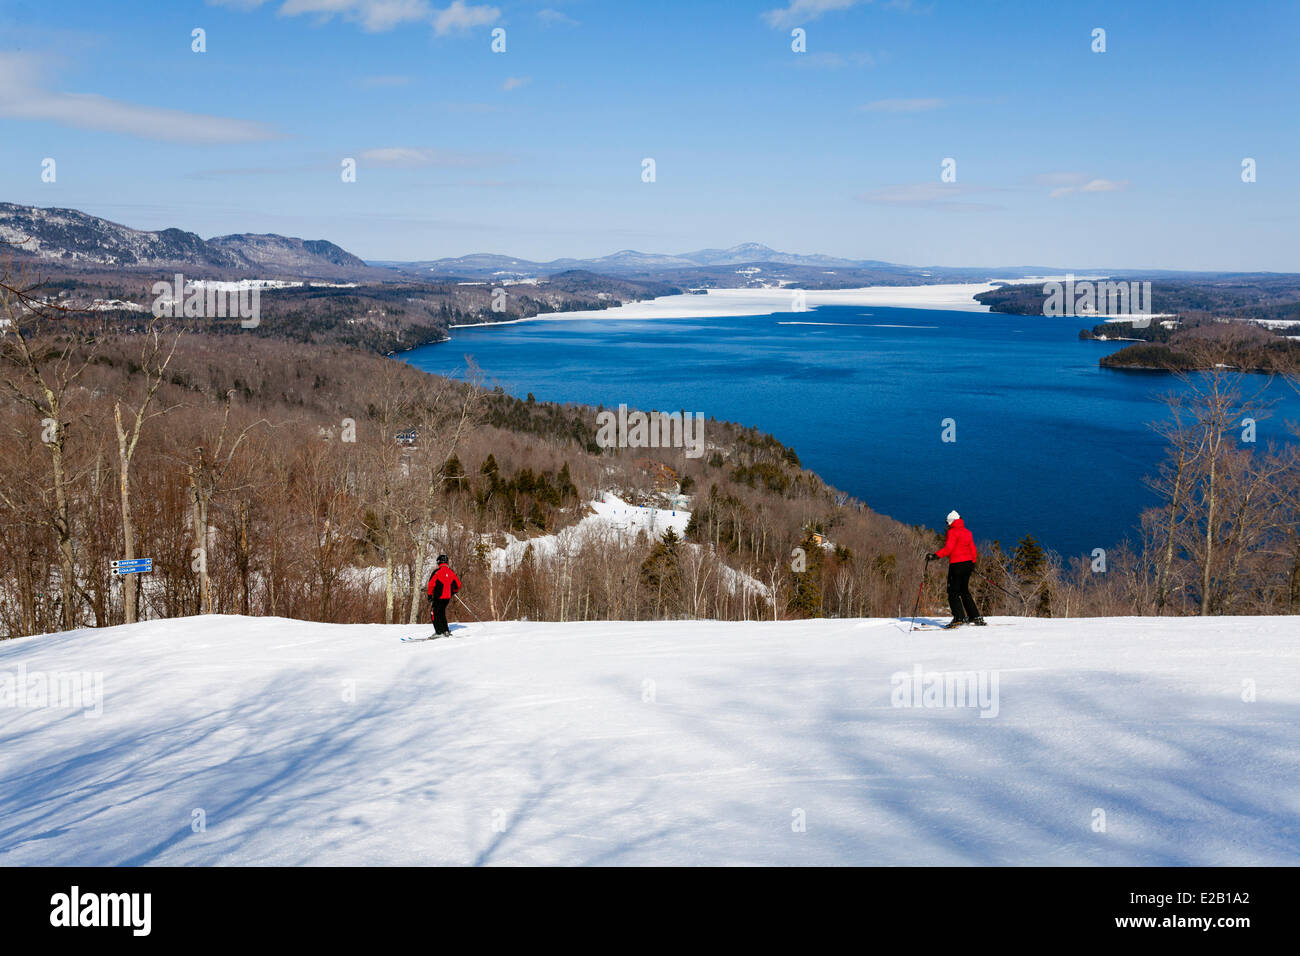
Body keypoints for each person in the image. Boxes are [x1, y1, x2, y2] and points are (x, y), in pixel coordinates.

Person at [927, 510, 986, 629]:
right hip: (968, 564)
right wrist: (972, 563)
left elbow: (948, 549)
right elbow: (973, 549)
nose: (947, 525)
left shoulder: (952, 532)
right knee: (964, 591)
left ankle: (959, 618)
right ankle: (975, 616)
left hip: (957, 565)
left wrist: (934, 556)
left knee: (953, 592)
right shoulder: (967, 532)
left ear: (952, 521)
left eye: (948, 522)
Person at [426, 554, 462, 637]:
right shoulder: (451, 572)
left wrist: (429, 595)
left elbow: (431, 584)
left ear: (439, 562)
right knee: (441, 612)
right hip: (447, 597)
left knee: (434, 613)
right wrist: (454, 591)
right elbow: (458, 584)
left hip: (438, 596)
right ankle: (445, 630)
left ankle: (439, 632)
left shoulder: (437, 572)